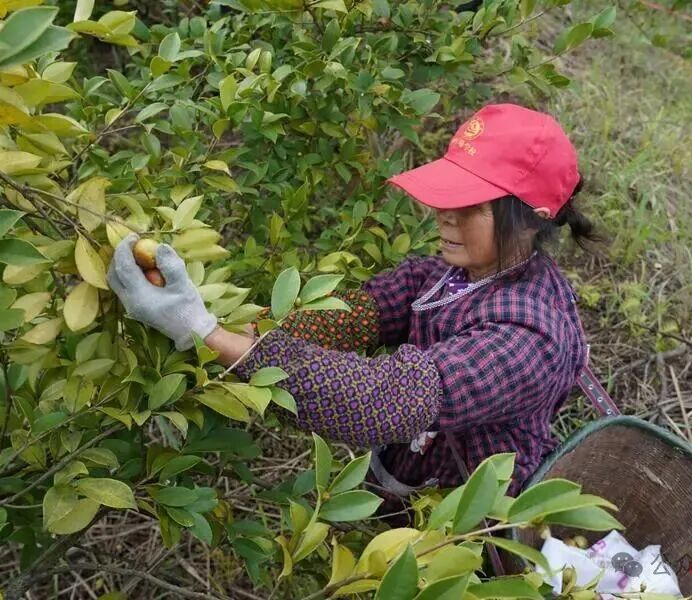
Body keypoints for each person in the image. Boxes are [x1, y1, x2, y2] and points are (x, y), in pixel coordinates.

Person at [107, 102, 598, 511]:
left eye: (472, 206)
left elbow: (387, 399)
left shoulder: (528, 339)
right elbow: (361, 312)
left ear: (531, 220)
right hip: (412, 473)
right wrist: (250, 329)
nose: (446, 215)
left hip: (467, 517)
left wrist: (204, 332)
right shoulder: (454, 273)